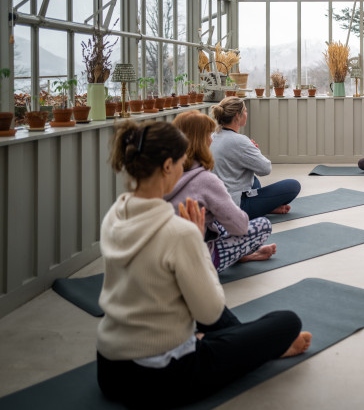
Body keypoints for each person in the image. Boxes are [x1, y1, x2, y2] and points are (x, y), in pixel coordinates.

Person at [97, 120, 311, 408]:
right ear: (168, 166)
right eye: (182, 160)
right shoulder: (180, 232)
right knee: (287, 322)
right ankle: (263, 349)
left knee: (198, 309)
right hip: (162, 377)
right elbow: (209, 311)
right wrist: (197, 245)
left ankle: (221, 340)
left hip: (109, 369)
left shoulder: (115, 213)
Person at [166, 110, 277, 272]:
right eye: (208, 135)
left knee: (216, 224)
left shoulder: (163, 173)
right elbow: (239, 227)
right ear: (201, 140)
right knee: (263, 224)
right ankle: (238, 255)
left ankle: (242, 255)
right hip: (196, 262)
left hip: (164, 257)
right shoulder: (206, 179)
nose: (212, 140)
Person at [210, 97, 301, 220]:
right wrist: (254, 149)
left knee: (253, 179)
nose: (247, 114)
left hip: (216, 202)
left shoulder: (213, 136)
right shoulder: (240, 141)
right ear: (238, 116)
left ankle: (265, 206)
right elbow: (265, 169)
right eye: (245, 111)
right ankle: (265, 207)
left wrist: (249, 151)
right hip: (236, 207)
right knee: (293, 186)